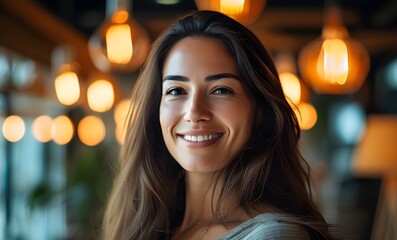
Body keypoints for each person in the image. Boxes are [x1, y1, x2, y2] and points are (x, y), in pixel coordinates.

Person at [102, 10, 334, 240]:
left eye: (221, 90)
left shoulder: (274, 236)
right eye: (176, 91)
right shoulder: (149, 226)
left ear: (260, 110)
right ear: (156, 111)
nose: (194, 113)